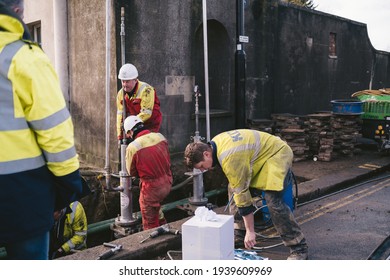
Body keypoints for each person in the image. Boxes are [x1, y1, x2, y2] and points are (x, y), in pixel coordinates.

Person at [0, 0, 86, 259]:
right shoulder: (23, 58)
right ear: (17, 11)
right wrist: (69, 185)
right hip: (22, 195)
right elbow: (55, 133)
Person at [184, 129, 309, 260]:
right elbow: (238, 186)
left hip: (277, 154)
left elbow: (242, 196)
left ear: (206, 154)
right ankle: (239, 233)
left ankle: (299, 247)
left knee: (273, 201)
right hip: (261, 156)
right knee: (233, 188)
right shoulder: (215, 144)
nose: (204, 170)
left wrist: (251, 231)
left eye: (202, 166)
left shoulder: (229, 156)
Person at [123, 115, 172, 230]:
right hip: (167, 182)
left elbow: (131, 171)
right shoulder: (160, 137)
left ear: (130, 132)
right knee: (156, 208)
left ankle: (154, 242)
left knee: (149, 220)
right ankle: (164, 227)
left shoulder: (133, 147)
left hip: (151, 189)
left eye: (128, 134)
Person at [116, 63, 162, 143]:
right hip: (136, 125)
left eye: (127, 82)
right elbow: (120, 115)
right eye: (123, 81)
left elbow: (146, 113)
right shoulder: (121, 94)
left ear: (135, 80)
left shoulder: (146, 90)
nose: (124, 85)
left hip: (151, 124)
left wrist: (131, 125)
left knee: (148, 147)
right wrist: (120, 135)